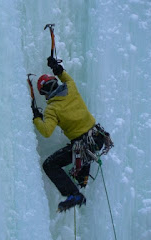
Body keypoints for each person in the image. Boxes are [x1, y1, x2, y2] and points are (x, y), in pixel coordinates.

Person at [32, 56, 112, 212]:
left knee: (50, 165)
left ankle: (74, 194)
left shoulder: (52, 109)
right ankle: (82, 178)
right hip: (98, 137)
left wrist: (36, 117)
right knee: (81, 164)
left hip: (82, 145)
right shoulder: (71, 87)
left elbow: (47, 131)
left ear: (45, 92)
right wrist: (56, 66)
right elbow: (63, 74)